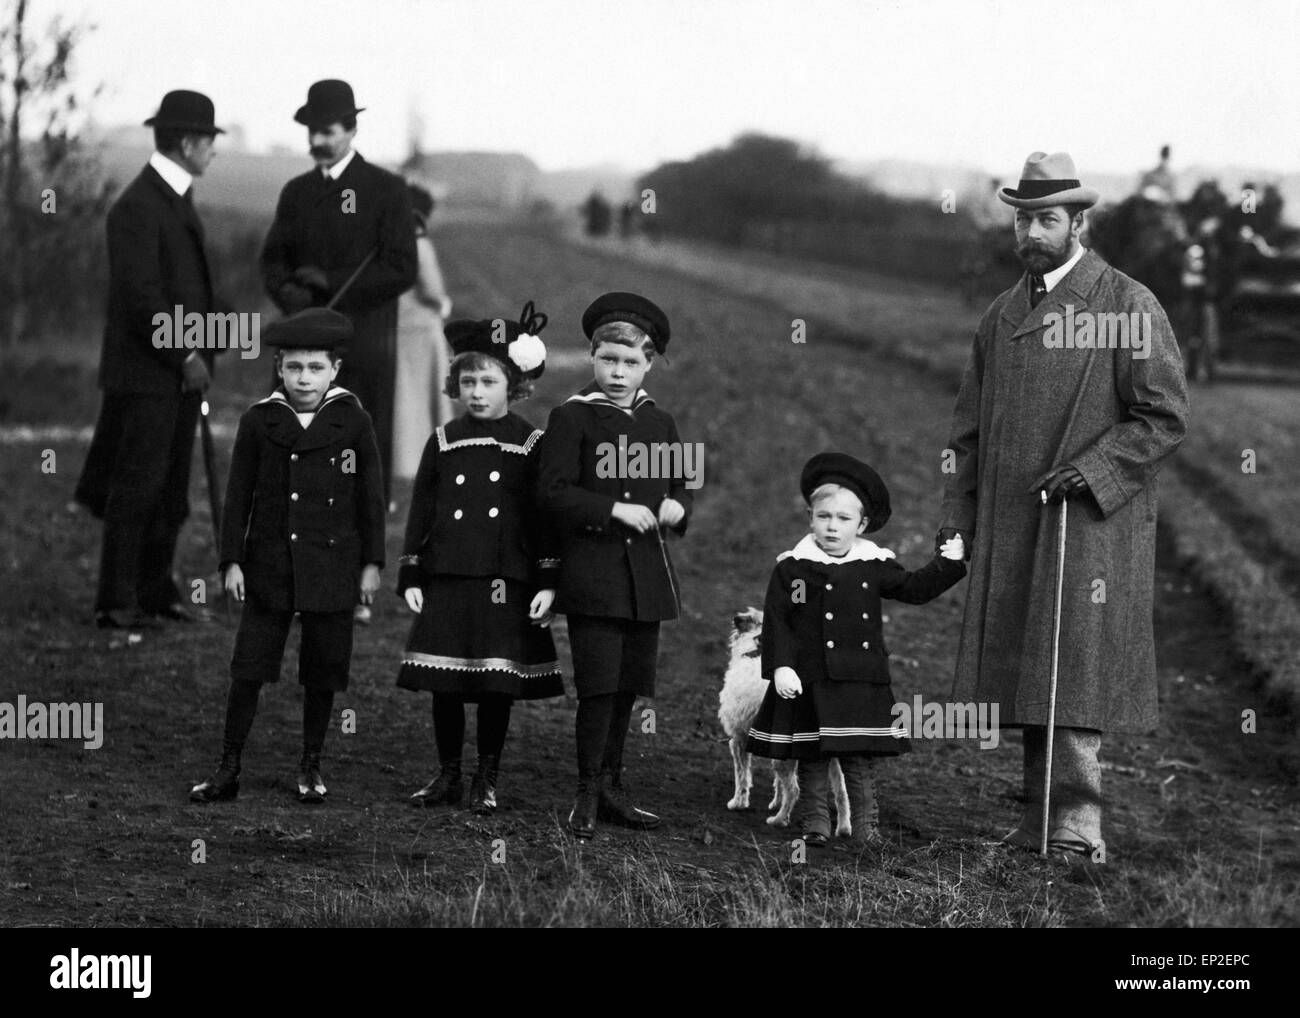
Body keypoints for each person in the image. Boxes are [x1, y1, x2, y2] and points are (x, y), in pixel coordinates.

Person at [938, 151, 1190, 859]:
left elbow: (1164, 416)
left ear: (1079, 221)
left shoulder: (1125, 303)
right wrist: (956, 525)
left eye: (1047, 218)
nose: (1032, 231)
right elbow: (966, 432)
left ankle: (1079, 827)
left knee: (1073, 663)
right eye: (1023, 218)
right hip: (1014, 520)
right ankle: (1038, 818)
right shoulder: (1001, 313)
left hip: (1089, 524)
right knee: (1028, 664)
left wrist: (1094, 469)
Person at [189, 309, 385, 805]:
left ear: (334, 370)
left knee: (322, 667)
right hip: (271, 561)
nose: (304, 378)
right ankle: (228, 764)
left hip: (332, 564)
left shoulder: (353, 421)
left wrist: (371, 564)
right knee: (249, 665)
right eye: (294, 367)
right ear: (279, 367)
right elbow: (239, 496)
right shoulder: (261, 421)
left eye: (315, 368)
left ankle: (311, 764)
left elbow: (370, 497)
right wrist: (231, 560)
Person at [747, 453, 967, 848]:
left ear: (862, 524)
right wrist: (782, 667)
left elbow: (914, 589)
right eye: (824, 516)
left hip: (861, 677)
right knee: (811, 753)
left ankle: (867, 829)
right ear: (810, 517)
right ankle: (815, 823)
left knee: (858, 758)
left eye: (844, 519)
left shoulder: (872, 565)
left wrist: (947, 564)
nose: (832, 526)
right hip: (811, 676)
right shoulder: (793, 568)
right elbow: (778, 619)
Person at [396, 302, 562, 814]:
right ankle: (448, 773)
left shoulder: (531, 442)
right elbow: (422, 510)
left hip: (504, 579)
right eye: (468, 381)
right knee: (445, 681)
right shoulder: (443, 441)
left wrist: (547, 581)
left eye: (488, 381)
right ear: (456, 385)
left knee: (496, 683)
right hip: (450, 574)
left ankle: (486, 777)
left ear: (512, 385)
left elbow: (544, 518)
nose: (477, 391)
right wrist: (411, 570)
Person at [537, 292, 692, 839]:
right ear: (592, 359)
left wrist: (678, 507)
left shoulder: (662, 423)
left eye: (630, 362)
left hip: (645, 577)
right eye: (607, 360)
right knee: (598, 687)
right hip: (594, 574)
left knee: (627, 686)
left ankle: (612, 787)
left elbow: (680, 485)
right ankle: (583, 791)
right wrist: (612, 509)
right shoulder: (571, 417)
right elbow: (551, 493)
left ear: (649, 364)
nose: (618, 372)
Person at [75, 90, 226, 631]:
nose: (214, 151)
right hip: (148, 374)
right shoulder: (138, 207)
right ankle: (116, 601)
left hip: (172, 376)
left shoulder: (174, 198)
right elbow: (143, 298)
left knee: (169, 489)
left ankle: (154, 590)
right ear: (187, 143)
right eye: (209, 141)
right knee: (136, 487)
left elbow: (186, 292)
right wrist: (186, 353)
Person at [260, 79, 417, 516]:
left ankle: (360, 533)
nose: (317, 141)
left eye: (327, 132)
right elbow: (272, 262)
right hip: (302, 343)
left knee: (357, 446)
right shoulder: (296, 192)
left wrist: (330, 281)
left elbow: (402, 268)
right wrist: (290, 294)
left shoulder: (387, 190)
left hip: (363, 345)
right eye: (312, 132)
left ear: (351, 131)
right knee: (296, 439)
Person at [392, 183, 454, 481]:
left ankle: (401, 460)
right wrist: (444, 305)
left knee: (402, 396)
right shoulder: (419, 244)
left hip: (395, 326)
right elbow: (432, 291)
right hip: (421, 329)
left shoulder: (385, 242)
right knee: (425, 396)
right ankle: (419, 461)